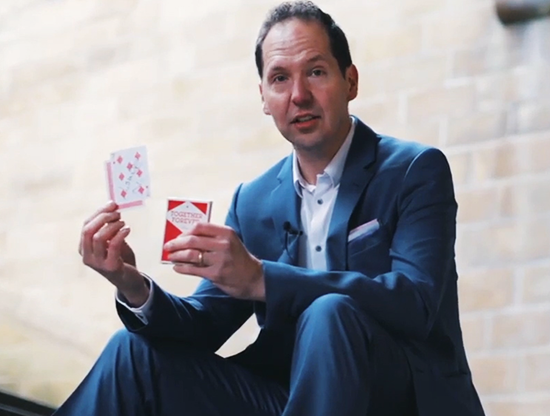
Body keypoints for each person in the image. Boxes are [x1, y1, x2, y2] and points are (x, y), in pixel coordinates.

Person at [53, 1, 485, 415]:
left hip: (399, 398)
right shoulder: (253, 200)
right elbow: (204, 325)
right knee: (132, 352)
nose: (299, 95)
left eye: (316, 72)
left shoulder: (414, 169)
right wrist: (133, 286)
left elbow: (415, 302)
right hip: (289, 396)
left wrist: (262, 279)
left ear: (351, 81)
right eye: (280, 79)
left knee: (330, 311)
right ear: (263, 96)